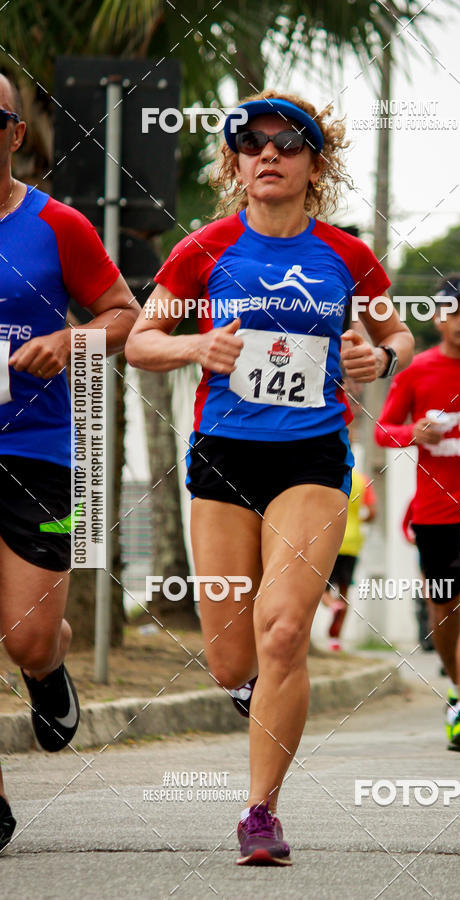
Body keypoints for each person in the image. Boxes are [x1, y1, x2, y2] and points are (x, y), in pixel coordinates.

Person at [125, 90, 414, 865]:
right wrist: (195, 350)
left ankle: (261, 812)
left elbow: (396, 330)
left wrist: (379, 357)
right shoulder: (206, 249)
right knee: (230, 659)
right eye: (251, 143)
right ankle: (261, 707)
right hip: (224, 456)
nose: (268, 155)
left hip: (312, 457)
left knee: (284, 629)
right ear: (237, 163)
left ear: (316, 164)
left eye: (288, 143)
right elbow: (141, 340)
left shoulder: (347, 256)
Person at [0, 73, 139, 852]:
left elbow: (124, 314)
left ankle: (47, 675)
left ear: (16, 133)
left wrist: (69, 341)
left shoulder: (58, 226)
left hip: (40, 449)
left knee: (25, 635)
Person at [375, 275, 460, 752]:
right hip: (435, 509)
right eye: (455, 311)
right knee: (443, 608)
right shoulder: (418, 371)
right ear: (439, 318)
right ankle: (454, 682)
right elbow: (383, 429)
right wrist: (414, 433)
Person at [321, 468, 376, 651]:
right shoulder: (362, 480)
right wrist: (359, 519)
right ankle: (335, 641)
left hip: (331, 538)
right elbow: (372, 513)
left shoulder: (329, 476)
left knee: (321, 586)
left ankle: (331, 603)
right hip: (352, 541)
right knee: (344, 590)